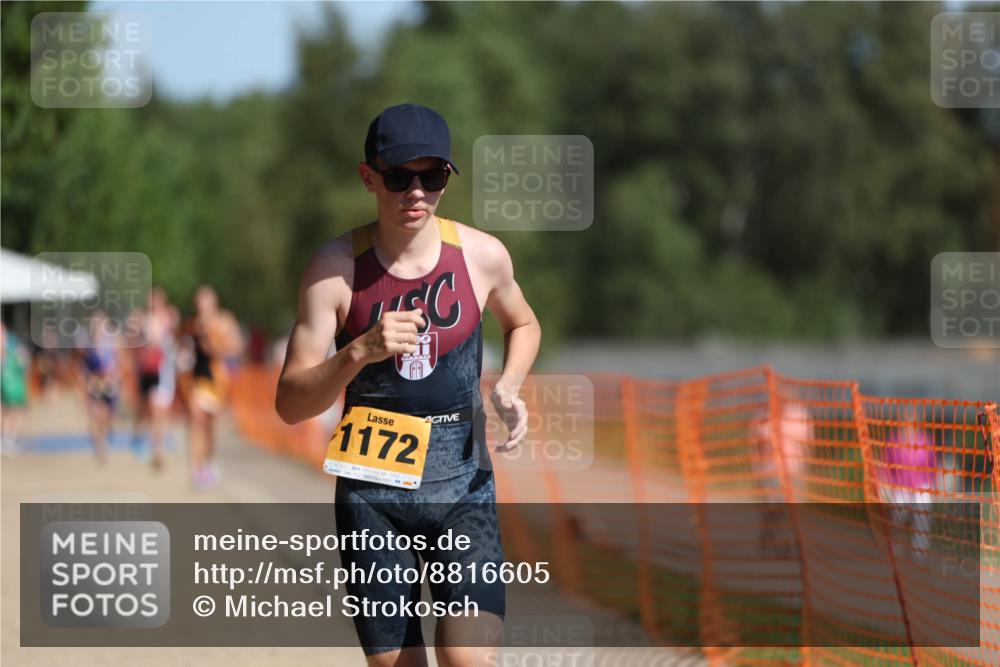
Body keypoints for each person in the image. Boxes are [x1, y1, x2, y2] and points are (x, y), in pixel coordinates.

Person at [276, 103, 540, 666]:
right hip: (373, 499)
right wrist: (358, 351)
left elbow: (524, 322)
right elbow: (291, 403)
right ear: (368, 177)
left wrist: (509, 386)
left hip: (463, 490)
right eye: (398, 177)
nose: (416, 192)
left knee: (468, 658)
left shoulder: (481, 256)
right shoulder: (334, 270)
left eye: (433, 176)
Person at [180, 285, 242, 490]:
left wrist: (213, 339)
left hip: (216, 380)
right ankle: (196, 468)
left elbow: (236, 346)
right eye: (198, 302)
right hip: (196, 379)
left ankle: (209, 462)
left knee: (210, 426)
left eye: (204, 302)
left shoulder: (224, 321)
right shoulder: (191, 324)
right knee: (196, 419)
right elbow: (184, 346)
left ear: (213, 302)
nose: (201, 306)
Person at [129, 287, 178, 472]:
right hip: (147, 370)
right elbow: (134, 342)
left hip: (163, 371)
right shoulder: (142, 319)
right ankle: (141, 439)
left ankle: (157, 451)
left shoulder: (169, 317)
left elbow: (173, 340)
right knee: (145, 409)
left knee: (159, 412)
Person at [78, 310, 123, 464]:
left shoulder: (113, 343)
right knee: (98, 414)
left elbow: (120, 363)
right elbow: (83, 368)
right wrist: (88, 382)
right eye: (95, 323)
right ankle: (100, 444)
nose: (97, 326)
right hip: (95, 384)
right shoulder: (87, 345)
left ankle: (101, 438)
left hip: (110, 384)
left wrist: (114, 377)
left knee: (108, 417)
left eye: (100, 323)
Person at [1, 321, 30, 456]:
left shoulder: (13, 344)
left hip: (14, 383)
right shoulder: (11, 345)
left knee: (15, 412)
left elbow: (23, 362)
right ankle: (7, 439)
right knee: (11, 412)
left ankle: (8, 439)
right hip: (10, 384)